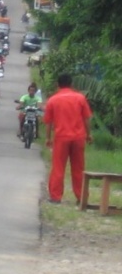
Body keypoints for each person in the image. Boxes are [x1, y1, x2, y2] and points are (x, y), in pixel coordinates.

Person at [43, 74, 93, 204]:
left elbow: (48, 122)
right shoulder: (80, 98)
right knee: (78, 168)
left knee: (58, 167)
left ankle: (56, 196)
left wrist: (48, 138)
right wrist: (89, 135)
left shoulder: (53, 100)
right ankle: (81, 197)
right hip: (78, 137)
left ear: (58, 84)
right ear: (71, 84)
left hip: (61, 137)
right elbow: (86, 118)